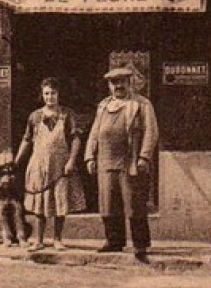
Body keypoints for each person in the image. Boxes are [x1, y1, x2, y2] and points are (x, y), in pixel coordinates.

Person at [85, 65, 159, 261]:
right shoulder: (103, 106)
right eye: (114, 83)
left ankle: (140, 244)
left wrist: (144, 157)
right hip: (105, 161)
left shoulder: (141, 105)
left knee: (133, 204)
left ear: (129, 83)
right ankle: (114, 241)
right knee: (108, 203)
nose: (118, 86)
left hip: (130, 161)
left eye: (122, 82)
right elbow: (94, 133)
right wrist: (90, 156)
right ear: (109, 86)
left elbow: (151, 133)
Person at [14, 78, 84, 250]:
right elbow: (27, 140)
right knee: (40, 203)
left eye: (53, 93)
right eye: (46, 93)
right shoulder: (35, 116)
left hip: (61, 165)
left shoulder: (67, 115)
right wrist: (16, 162)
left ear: (58, 94)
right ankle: (39, 241)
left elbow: (76, 140)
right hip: (39, 165)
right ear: (42, 95)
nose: (50, 97)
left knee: (60, 201)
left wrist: (71, 161)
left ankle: (57, 239)